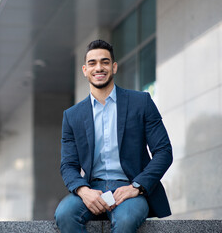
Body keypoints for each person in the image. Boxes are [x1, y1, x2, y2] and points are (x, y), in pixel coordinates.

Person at [54, 40, 173, 233]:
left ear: (114, 67)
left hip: (131, 189)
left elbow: (164, 152)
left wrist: (136, 187)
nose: (99, 67)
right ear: (85, 70)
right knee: (64, 214)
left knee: (125, 220)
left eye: (105, 62)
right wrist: (84, 191)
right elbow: (68, 165)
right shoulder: (72, 116)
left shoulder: (141, 103)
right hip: (93, 188)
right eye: (92, 63)